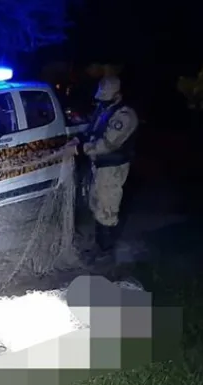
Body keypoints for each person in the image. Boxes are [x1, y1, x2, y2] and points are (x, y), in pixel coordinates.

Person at [68, 75, 139, 262]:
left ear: (117, 95)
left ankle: (106, 251)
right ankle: (99, 245)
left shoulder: (125, 116)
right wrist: (79, 139)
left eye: (105, 98)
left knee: (107, 207)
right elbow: (93, 130)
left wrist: (82, 149)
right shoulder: (104, 109)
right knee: (96, 202)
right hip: (98, 165)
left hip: (112, 166)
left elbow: (109, 143)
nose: (100, 101)